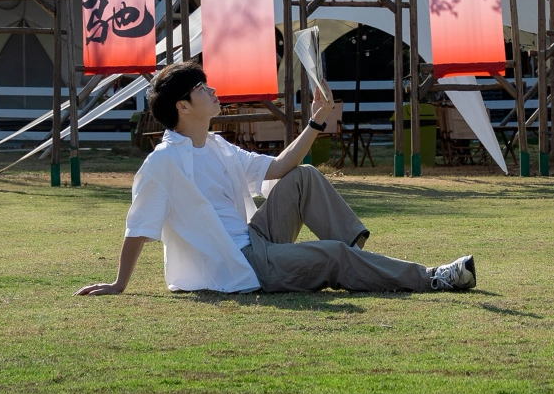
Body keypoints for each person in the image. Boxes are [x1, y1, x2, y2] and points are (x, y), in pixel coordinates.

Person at [77, 60, 476, 297]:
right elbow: (139, 227)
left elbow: (278, 168)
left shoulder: (216, 145)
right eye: (202, 87)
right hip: (244, 265)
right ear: (183, 106)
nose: (213, 90)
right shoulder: (163, 163)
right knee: (333, 254)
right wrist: (118, 284)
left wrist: (316, 122)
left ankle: (364, 260)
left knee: (303, 176)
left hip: (257, 239)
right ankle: (431, 279)